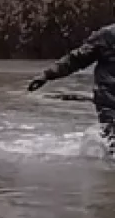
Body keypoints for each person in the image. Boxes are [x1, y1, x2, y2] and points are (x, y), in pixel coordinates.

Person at [28, 23, 115, 151]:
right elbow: (76, 59)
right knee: (112, 144)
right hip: (109, 101)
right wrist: (47, 75)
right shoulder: (107, 35)